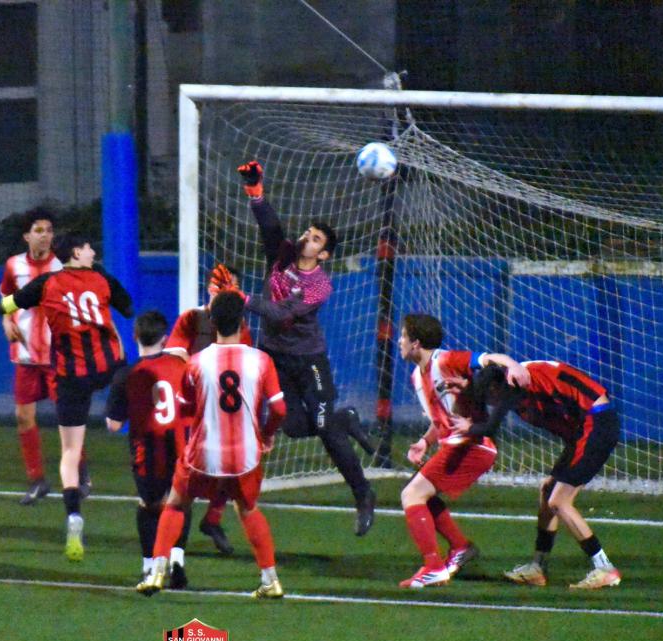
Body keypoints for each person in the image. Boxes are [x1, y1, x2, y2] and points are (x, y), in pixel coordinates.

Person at [0, 235, 133, 561]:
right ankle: (118, 420)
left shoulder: (46, 284)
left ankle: (73, 517)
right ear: (77, 252)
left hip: (72, 376)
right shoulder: (101, 278)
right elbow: (128, 309)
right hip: (109, 370)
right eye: (89, 247)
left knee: (69, 452)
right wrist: (101, 280)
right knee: (129, 376)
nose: (94, 251)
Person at [231, 160, 376, 536]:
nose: (306, 239)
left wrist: (241, 297)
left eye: (315, 239)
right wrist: (255, 192)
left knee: (324, 428)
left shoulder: (319, 285)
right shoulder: (281, 258)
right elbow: (270, 228)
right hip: (276, 358)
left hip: (310, 361)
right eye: (308, 233)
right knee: (294, 427)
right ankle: (346, 419)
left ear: (323, 254)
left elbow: (281, 313)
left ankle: (363, 494)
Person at [136, 291, 287, 598]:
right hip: (245, 455)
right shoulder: (261, 360)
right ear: (242, 322)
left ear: (213, 323)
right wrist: (267, 433)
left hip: (204, 454)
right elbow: (280, 409)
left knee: (175, 504)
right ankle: (270, 580)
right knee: (248, 509)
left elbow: (186, 407)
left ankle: (157, 573)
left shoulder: (196, 363)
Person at [454, 361, 622, 590]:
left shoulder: (515, 383)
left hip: (597, 424)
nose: (489, 402)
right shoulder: (514, 380)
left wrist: (468, 428)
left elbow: (489, 428)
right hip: (588, 426)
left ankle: (605, 568)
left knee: (559, 501)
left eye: (488, 396)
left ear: (495, 388)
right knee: (548, 491)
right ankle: (538, 567)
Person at [397, 313, 530, 588]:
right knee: (422, 495)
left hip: (472, 446)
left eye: (403, 336)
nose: (399, 341)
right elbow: (442, 419)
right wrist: (424, 442)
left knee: (412, 494)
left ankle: (433, 567)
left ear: (416, 343)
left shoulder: (445, 360)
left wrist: (512, 364)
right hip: (458, 446)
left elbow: (488, 359)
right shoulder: (417, 376)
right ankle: (460, 548)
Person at [0, 208, 91, 505]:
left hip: (57, 355)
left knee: (67, 417)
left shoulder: (63, 266)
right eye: (39, 230)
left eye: (49, 230)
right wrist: (6, 321)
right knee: (23, 417)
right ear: (26, 236)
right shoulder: (13, 265)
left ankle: (82, 474)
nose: (45, 236)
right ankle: (37, 480)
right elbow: (7, 298)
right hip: (25, 355)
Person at [163, 263, 254, 555]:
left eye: (232, 288)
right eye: (221, 287)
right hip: (189, 410)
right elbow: (175, 357)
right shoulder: (192, 318)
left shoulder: (240, 329)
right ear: (210, 289)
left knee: (232, 467)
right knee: (180, 482)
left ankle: (211, 520)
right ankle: (171, 550)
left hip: (221, 412)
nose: (226, 293)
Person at [106, 310, 192, 589]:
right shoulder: (181, 366)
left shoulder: (127, 375)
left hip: (148, 452)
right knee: (179, 502)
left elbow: (114, 425)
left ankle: (149, 566)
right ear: (164, 339)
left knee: (149, 506)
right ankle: (177, 561)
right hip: (179, 447)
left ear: (135, 337)